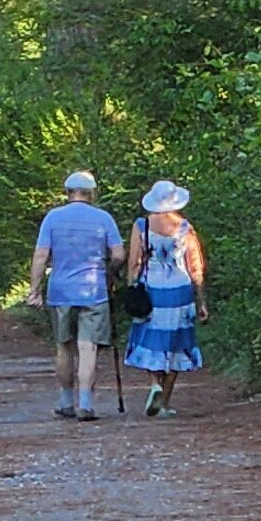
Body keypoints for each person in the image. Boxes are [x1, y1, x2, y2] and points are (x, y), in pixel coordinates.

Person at [30, 168, 125, 422]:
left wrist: (34, 290)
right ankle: (85, 403)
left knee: (64, 347)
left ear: (68, 192)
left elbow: (41, 255)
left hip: (60, 291)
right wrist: (111, 273)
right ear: (91, 193)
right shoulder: (104, 218)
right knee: (88, 348)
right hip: (93, 291)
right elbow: (118, 255)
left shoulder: (52, 218)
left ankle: (64, 401)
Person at [123, 180, 207, 415]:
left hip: (152, 291)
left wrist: (132, 289)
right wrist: (201, 301)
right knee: (177, 344)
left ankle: (154, 384)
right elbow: (195, 267)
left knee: (151, 340)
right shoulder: (185, 228)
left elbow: (134, 263)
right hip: (180, 291)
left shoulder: (142, 226)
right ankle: (164, 403)